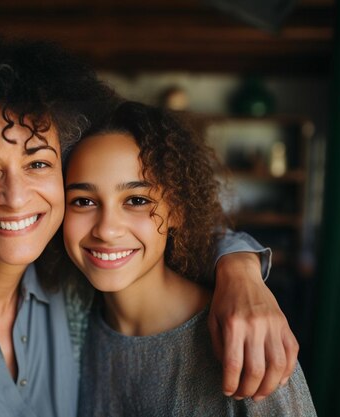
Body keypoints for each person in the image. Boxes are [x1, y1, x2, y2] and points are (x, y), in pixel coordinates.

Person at [0, 29, 298, 416]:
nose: (15, 198)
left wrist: (240, 269)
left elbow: (165, 227)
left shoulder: (73, 286)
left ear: (62, 174)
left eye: (37, 164)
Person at [63, 101, 316, 416]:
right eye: (83, 201)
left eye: (137, 200)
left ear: (178, 211)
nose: (107, 229)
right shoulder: (72, 327)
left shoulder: (245, 337)